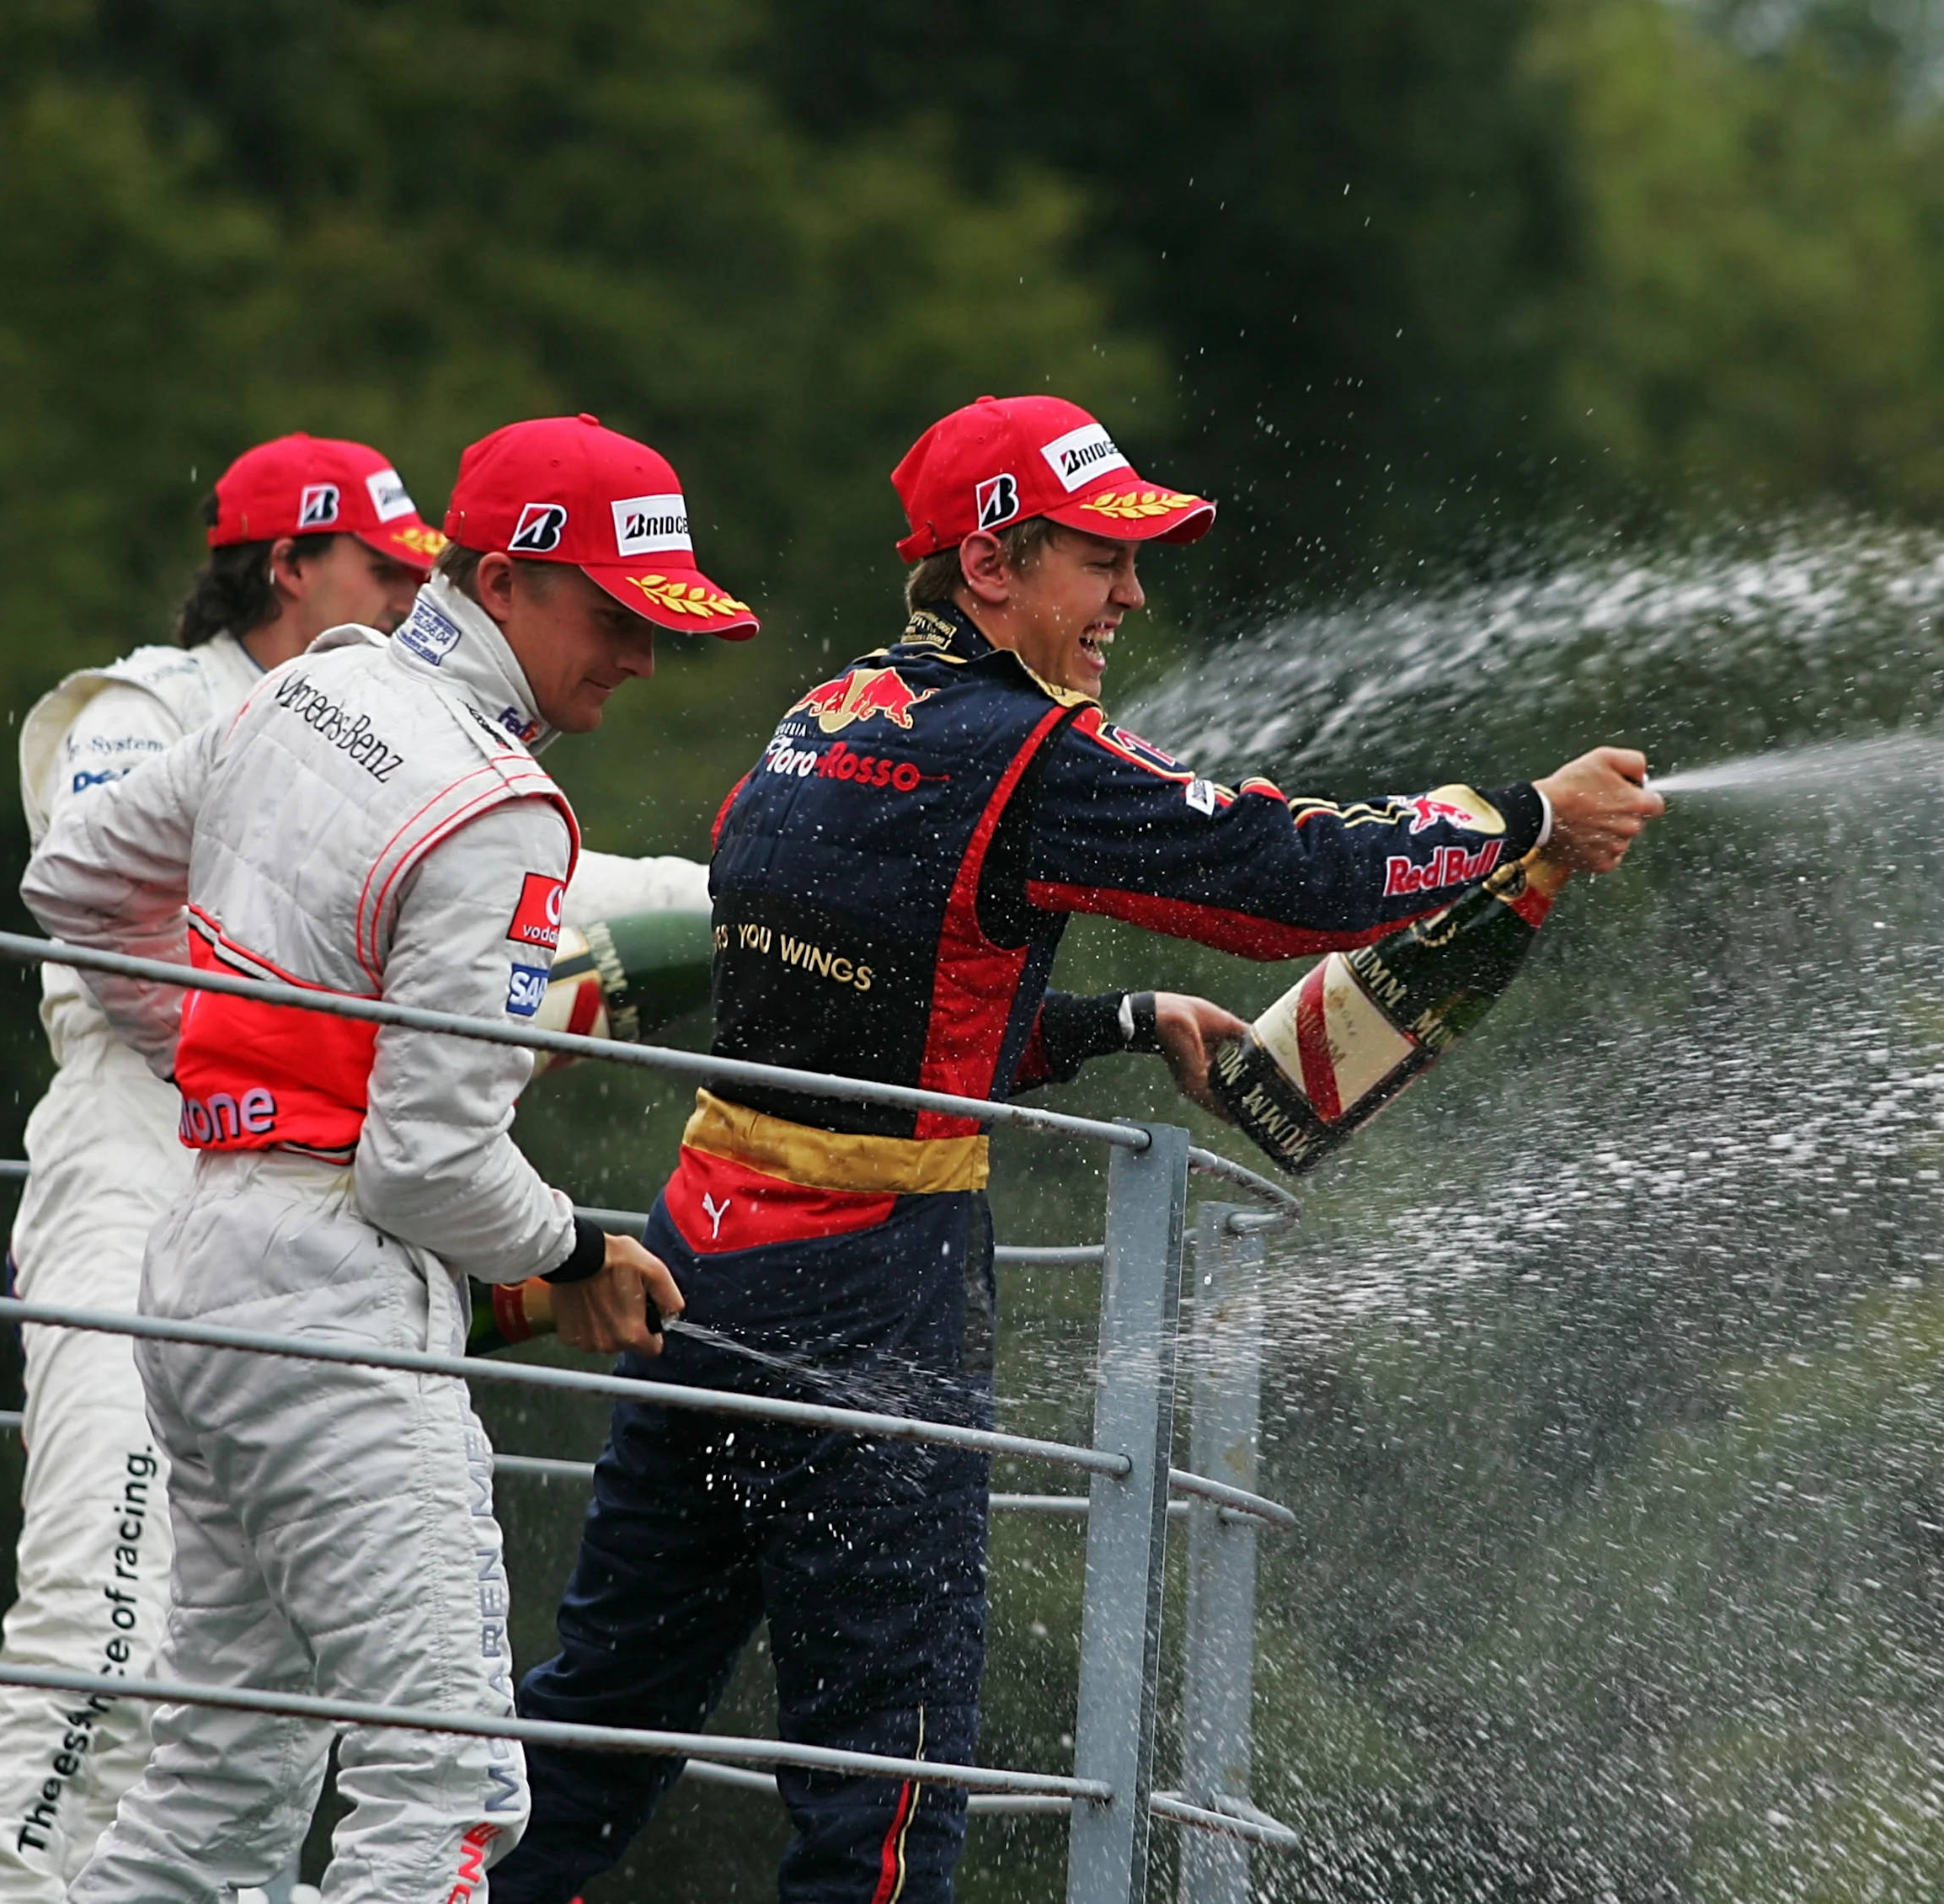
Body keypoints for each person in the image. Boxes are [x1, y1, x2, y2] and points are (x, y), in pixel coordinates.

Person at [495, 394, 1661, 1904]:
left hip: (700, 1260)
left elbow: (864, 1029)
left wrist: (1119, 1018)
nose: (1133, 595)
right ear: (991, 563)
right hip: (870, 1296)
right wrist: (1525, 817)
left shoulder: (822, 718)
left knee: (598, 1720)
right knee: (885, 1786)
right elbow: (1290, 878)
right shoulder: (1027, 750)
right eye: (1102, 559)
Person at [16, 414, 745, 1904]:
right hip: (337, 1300)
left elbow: (74, 879)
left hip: (198, 1265)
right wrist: (579, 1250)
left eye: (659, 624)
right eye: (614, 616)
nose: (639, 658)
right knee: (449, 1789)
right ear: (503, 581)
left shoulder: (312, 685)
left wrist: (230, 1055)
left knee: (216, 1787)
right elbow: (430, 1169)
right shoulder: (504, 810)